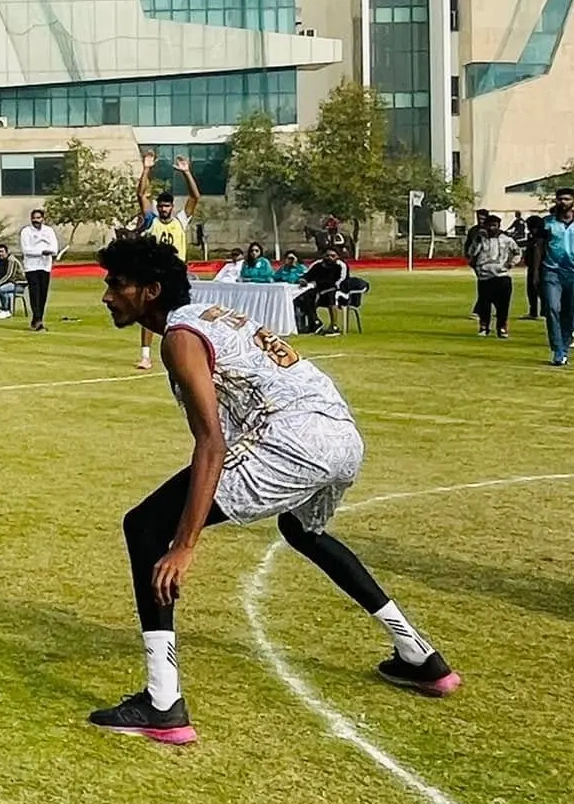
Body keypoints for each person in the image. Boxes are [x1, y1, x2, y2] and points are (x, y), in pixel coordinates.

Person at [86, 236, 458, 744]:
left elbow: (211, 444)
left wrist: (185, 544)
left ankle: (163, 702)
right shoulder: (210, 316)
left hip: (293, 439)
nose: (108, 296)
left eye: (118, 285)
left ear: (150, 291)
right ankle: (418, 655)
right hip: (341, 437)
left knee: (146, 526)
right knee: (303, 531)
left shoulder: (179, 338)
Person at [131, 151, 200, 370]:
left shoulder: (180, 221)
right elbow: (141, 195)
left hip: (176, 274)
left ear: (172, 207)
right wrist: (146, 168)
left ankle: (184, 353)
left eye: (166, 206)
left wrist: (186, 172)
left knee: (180, 313)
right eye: (160, 206)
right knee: (149, 312)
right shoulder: (152, 221)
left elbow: (195, 197)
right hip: (154, 273)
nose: (163, 209)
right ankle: (145, 356)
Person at [538, 188, 574, 366]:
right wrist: (536, 273)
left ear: (573, 201)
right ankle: (557, 349)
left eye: (567, 199)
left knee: (571, 312)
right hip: (552, 270)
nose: (563, 202)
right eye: (560, 199)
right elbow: (539, 247)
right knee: (552, 308)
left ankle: (565, 347)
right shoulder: (547, 222)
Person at [466, 212, 518, 339]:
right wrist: (477, 242)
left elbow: (517, 252)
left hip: (502, 275)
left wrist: (511, 263)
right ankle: (484, 326)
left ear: (499, 226)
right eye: (489, 225)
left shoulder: (506, 239)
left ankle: (502, 327)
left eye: (494, 225)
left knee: (503, 305)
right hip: (485, 276)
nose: (492, 228)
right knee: (484, 303)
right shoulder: (480, 239)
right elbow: (471, 253)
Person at [19, 208, 60, 330]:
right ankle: (37, 320)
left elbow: (54, 249)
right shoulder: (26, 231)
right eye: (34, 218)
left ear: (43, 219)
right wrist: (42, 251)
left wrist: (47, 251)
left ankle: (38, 319)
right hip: (31, 267)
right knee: (35, 293)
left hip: (45, 266)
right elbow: (26, 250)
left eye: (38, 218)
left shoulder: (49, 231)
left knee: (43, 294)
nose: (36, 220)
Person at [295, 248, 347, 334]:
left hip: (337, 290)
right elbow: (308, 275)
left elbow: (339, 282)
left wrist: (317, 284)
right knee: (305, 297)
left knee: (331, 296)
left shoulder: (340, 266)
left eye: (332, 256)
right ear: (323, 256)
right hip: (318, 290)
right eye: (327, 255)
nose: (329, 258)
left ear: (337, 256)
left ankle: (334, 326)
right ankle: (314, 322)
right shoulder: (317, 265)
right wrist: (303, 280)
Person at [521, 209, 549, 322]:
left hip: (538, 267)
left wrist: (536, 270)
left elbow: (537, 252)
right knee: (532, 291)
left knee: (539, 289)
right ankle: (534, 311)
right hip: (533, 266)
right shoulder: (533, 237)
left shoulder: (540, 238)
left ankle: (542, 311)